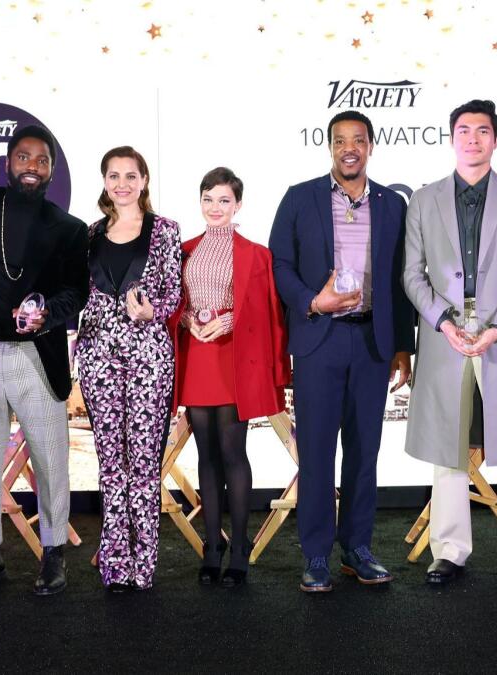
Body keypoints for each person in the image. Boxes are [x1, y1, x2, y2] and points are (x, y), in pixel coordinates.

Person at [403, 99, 497, 586]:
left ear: (496, 139)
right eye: (463, 130)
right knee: (448, 442)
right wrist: (444, 322)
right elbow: (412, 274)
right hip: (445, 332)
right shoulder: (423, 200)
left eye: (482, 131)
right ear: (451, 138)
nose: (472, 139)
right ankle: (449, 548)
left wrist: (495, 327)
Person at [269, 110, 415, 593]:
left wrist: (401, 346)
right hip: (320, 339)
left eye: (358, 140)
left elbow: (400, 278)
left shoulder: (393, 204)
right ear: (329, 147)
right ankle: (315, 555)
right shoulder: (299, 199)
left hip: (372, 342)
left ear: (371, 146)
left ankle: (357, 548)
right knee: (315, 452)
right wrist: (313, 300)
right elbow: (280, 265)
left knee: (364, 451)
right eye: (339, 141)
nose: (348, 148)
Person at [0, 124, 90, 597]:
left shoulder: (69, 229)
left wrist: (48, 314)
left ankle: (53, 554)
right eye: (24, 157)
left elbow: (77, 293)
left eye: (42, 160)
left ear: (52, 169)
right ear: (7, 163)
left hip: (36, 357)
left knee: (52, 461)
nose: (32, 166)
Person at [171, 167, 289, 587]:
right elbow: (174, 301)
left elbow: (266, 308)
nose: (215, 207)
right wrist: (187, 321)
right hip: (198, 355)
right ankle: (212, 547)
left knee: (234, 453)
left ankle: (240, 548)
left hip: (234, 357)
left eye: (223, 200)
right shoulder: (183, 249)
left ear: (238, 204)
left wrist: (231, 321)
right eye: (208, 199)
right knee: (205, 456)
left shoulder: (257, 253)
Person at [73, 146, 181, 592]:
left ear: (144, 180)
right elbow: (81, 296)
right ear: (104, 181)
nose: (122, 183)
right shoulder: (90, 234)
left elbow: (174, 293)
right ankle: (115, 561)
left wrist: (150, 311)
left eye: (130, 175)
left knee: (142, 463)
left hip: (148, 357)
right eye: (114, 175)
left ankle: (144, 564)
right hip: (98, 356)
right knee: (110, 464)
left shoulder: (165, 231)